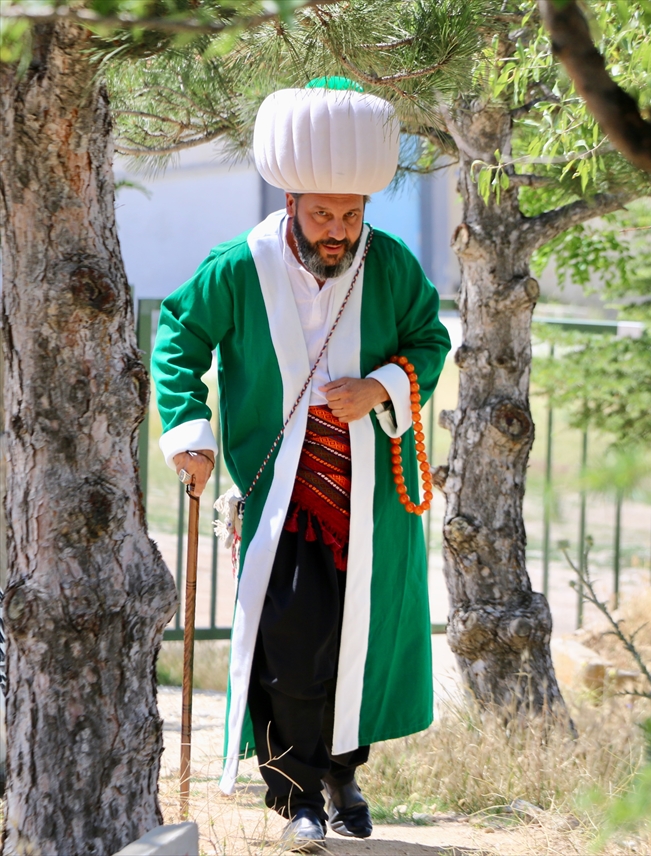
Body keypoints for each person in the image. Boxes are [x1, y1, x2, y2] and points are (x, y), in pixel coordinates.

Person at [152, 78, 451, 849]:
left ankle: (343, 773)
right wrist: (190, 429)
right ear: (289, 202)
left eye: (351, 215)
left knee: (359, 640)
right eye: (323, 214)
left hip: (371, 499)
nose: (338, 230)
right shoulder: (237, 266)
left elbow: (428, 341)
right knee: (290, 640)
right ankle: (295, 801)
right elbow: (179, 334)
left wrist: (380, 386)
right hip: (279, 494)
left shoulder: (388, 265)